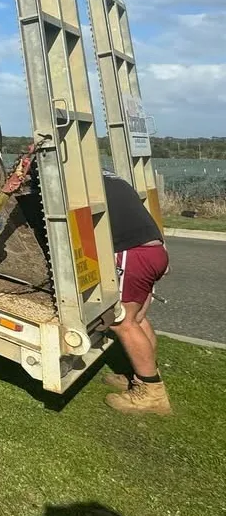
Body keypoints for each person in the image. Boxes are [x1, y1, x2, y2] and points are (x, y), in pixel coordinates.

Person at [100, 172, 171, 415]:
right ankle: (142, 375)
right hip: (154, 250)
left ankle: (151, 393)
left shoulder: (81, 182)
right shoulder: (110, 178)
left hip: (133, 253)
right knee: (138, 319)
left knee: (122, 321)